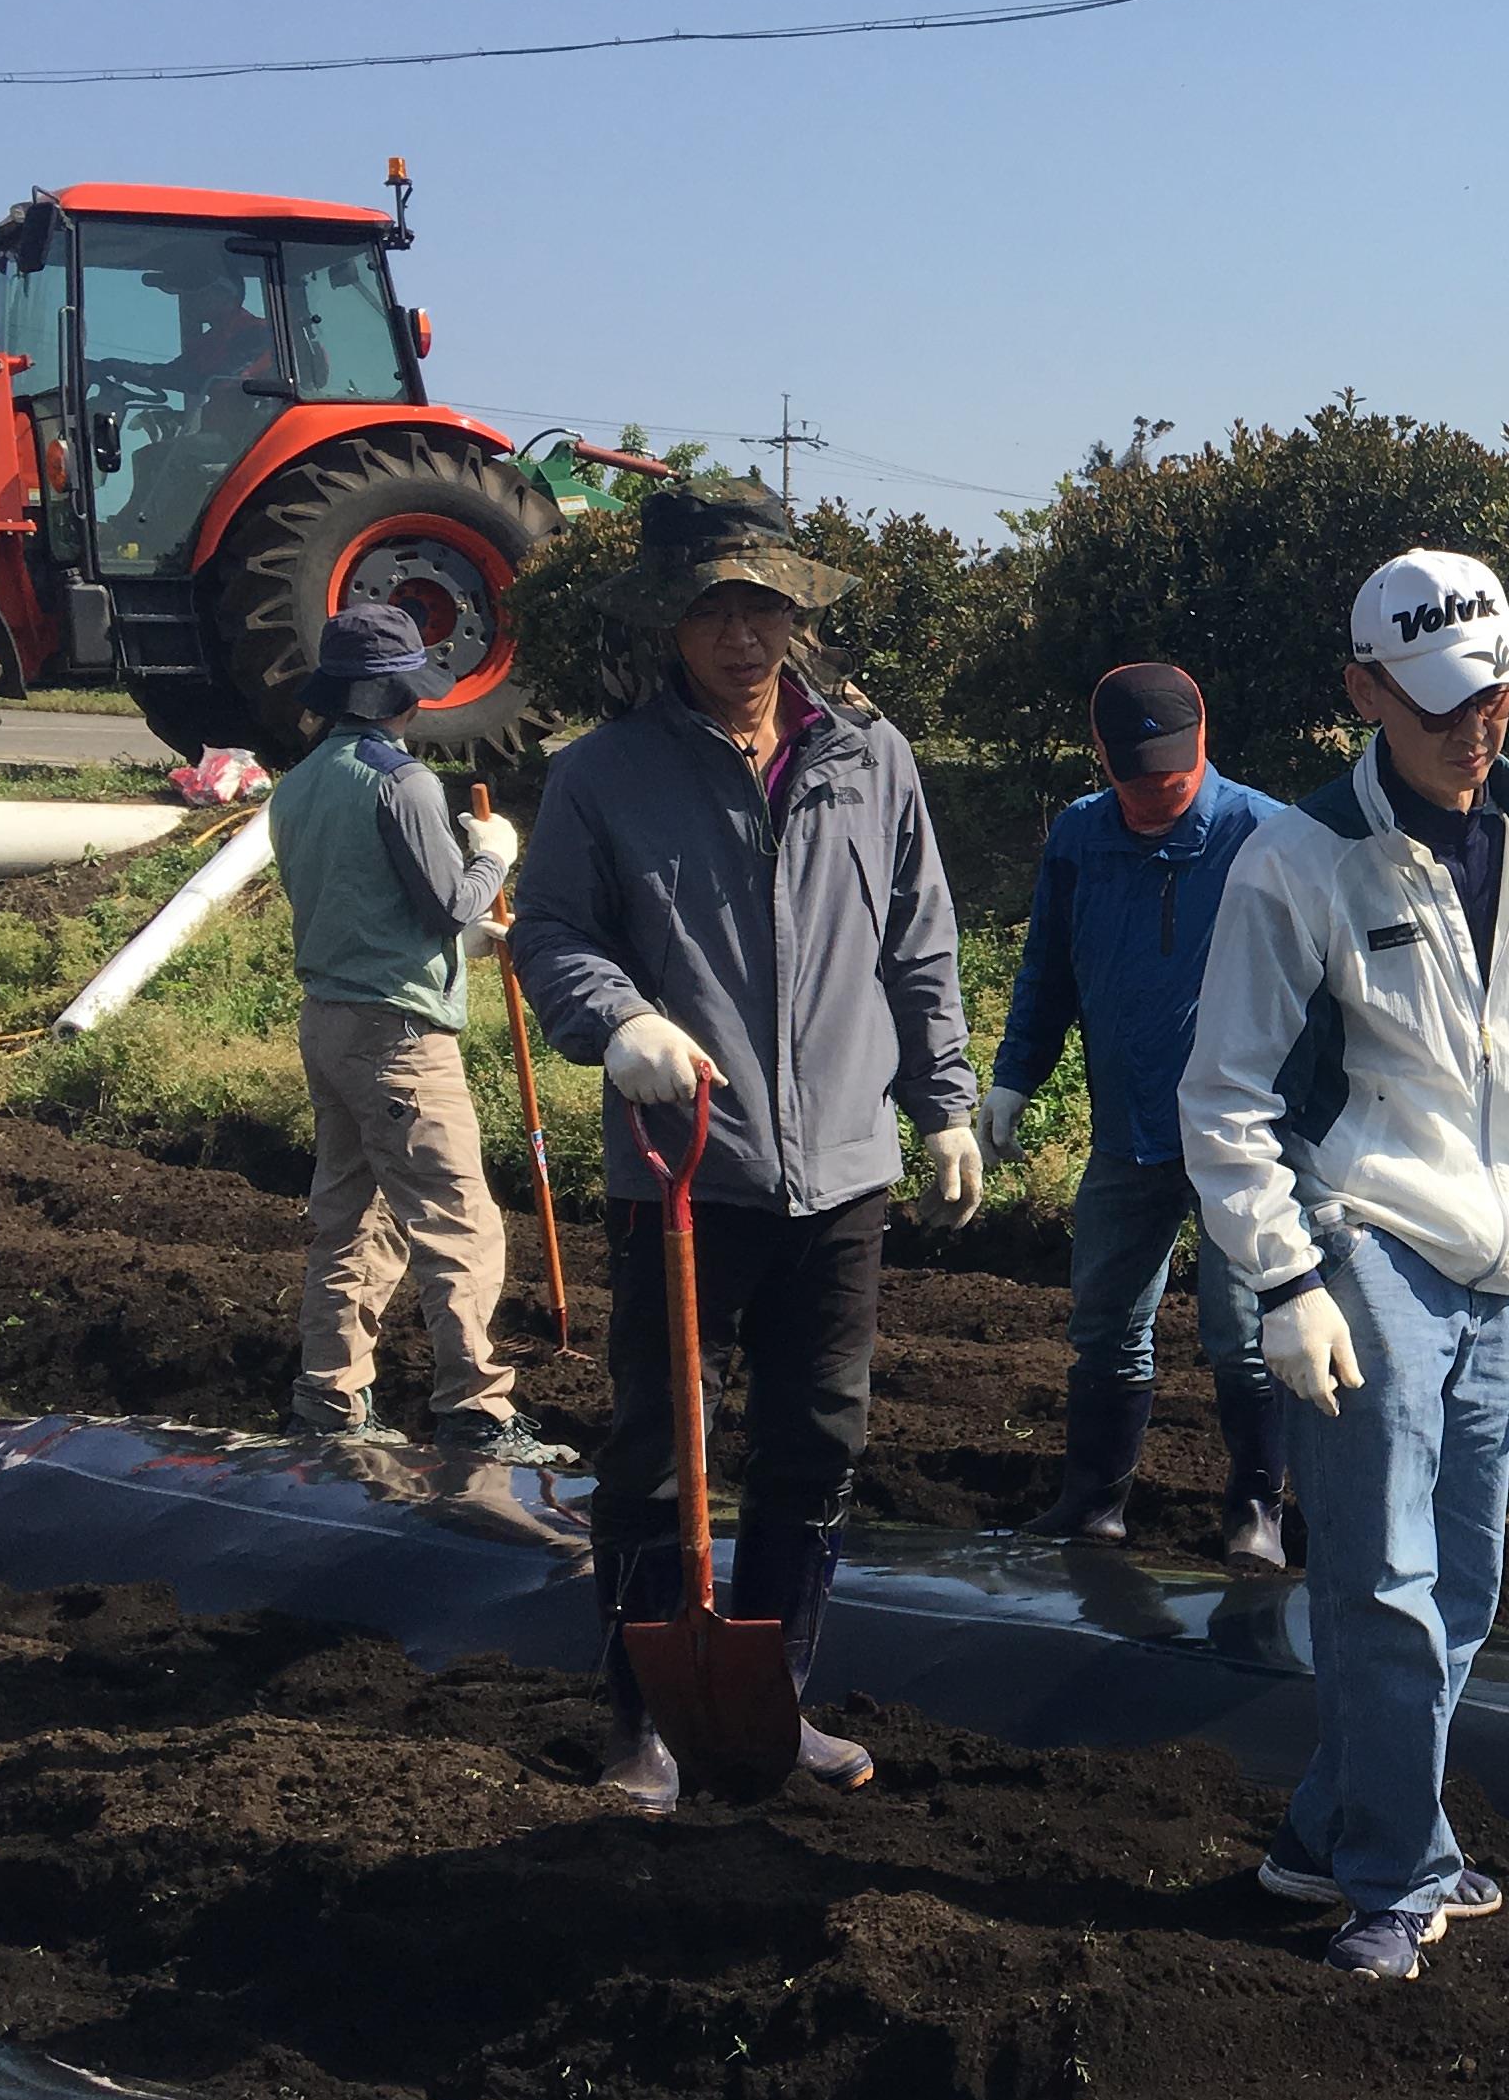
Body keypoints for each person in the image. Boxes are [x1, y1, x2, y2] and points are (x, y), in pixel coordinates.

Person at [1183, 549, 1509, 1981]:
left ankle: (1324, 1828)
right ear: (1363, 690)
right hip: (1366, 1237)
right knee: (1378, 1577)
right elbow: (1226, 1098)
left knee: (1465, 1585)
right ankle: (1397, 1876)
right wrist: (1284, 1277)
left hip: (1499, 1251)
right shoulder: (1301, 861)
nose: (1475, 727)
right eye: (1442, 701)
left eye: (1494, 695)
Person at [512, 475, 983, 1816]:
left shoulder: (867, 758)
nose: (741, 636)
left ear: (794, 614)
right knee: (660, 1447)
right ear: (672, 621)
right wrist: (618, 1024)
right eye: (714, 608)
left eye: (762, 606)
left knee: (816, 1442)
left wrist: (941, 1099)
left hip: (838, 1168)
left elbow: (918, 939)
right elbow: (551, 935)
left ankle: (777, 1706)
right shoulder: (603, 777)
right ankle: (640, 1729)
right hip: (686, 1165)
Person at [985, 663, 1291, 1567]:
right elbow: (1049, 969)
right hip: (1127, 1131)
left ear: (1204, 749)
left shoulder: (1264, 834)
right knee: (1105, 1325)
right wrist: (1014, 1079)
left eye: (1176, 783)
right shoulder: (1081, 837)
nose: (1157, 800)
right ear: (1103, 764)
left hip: (1240, 1137)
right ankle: (1094, 1505)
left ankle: (1256, 1513)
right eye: (1137, 784)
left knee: (1244, 1334)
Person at [262, 599, 574, 1467]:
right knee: (457, 1220)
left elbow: (362, 907)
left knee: (350, 1217)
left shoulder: (299, 785)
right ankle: (476, 1410)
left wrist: (462, 941)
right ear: (403, 694)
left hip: (328, 1023)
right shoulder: (403, 782)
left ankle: (330, 1396)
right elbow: (449, 900)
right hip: (401, 1038)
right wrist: (495, 853)